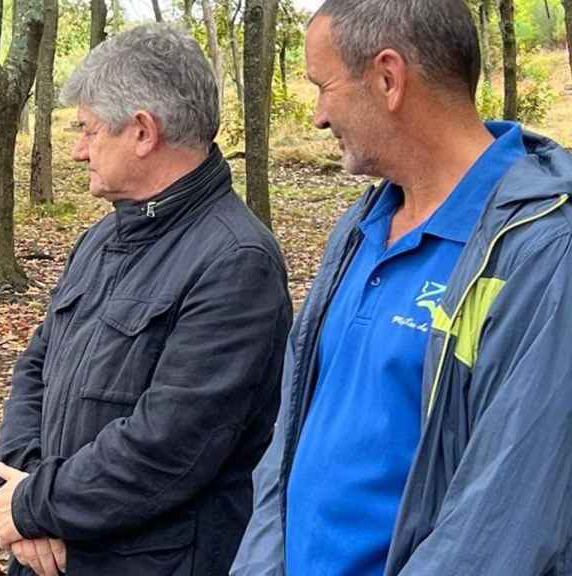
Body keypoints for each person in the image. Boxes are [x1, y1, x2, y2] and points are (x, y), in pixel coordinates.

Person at [231, 1, 572, 575]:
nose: (316, 116)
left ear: (388, 78)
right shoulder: (362, 224)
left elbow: (505, 520)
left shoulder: (541, 251)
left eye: (324, 86)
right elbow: (290, 433)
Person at [0, 23, 293, 576]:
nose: (78, 152)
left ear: (143, 132)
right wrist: (20, 483)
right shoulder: (104, 237)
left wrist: (34, 505)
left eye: (87, 131)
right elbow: (35, 366)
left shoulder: (235, 261)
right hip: (55, 553)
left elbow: (171, 446)